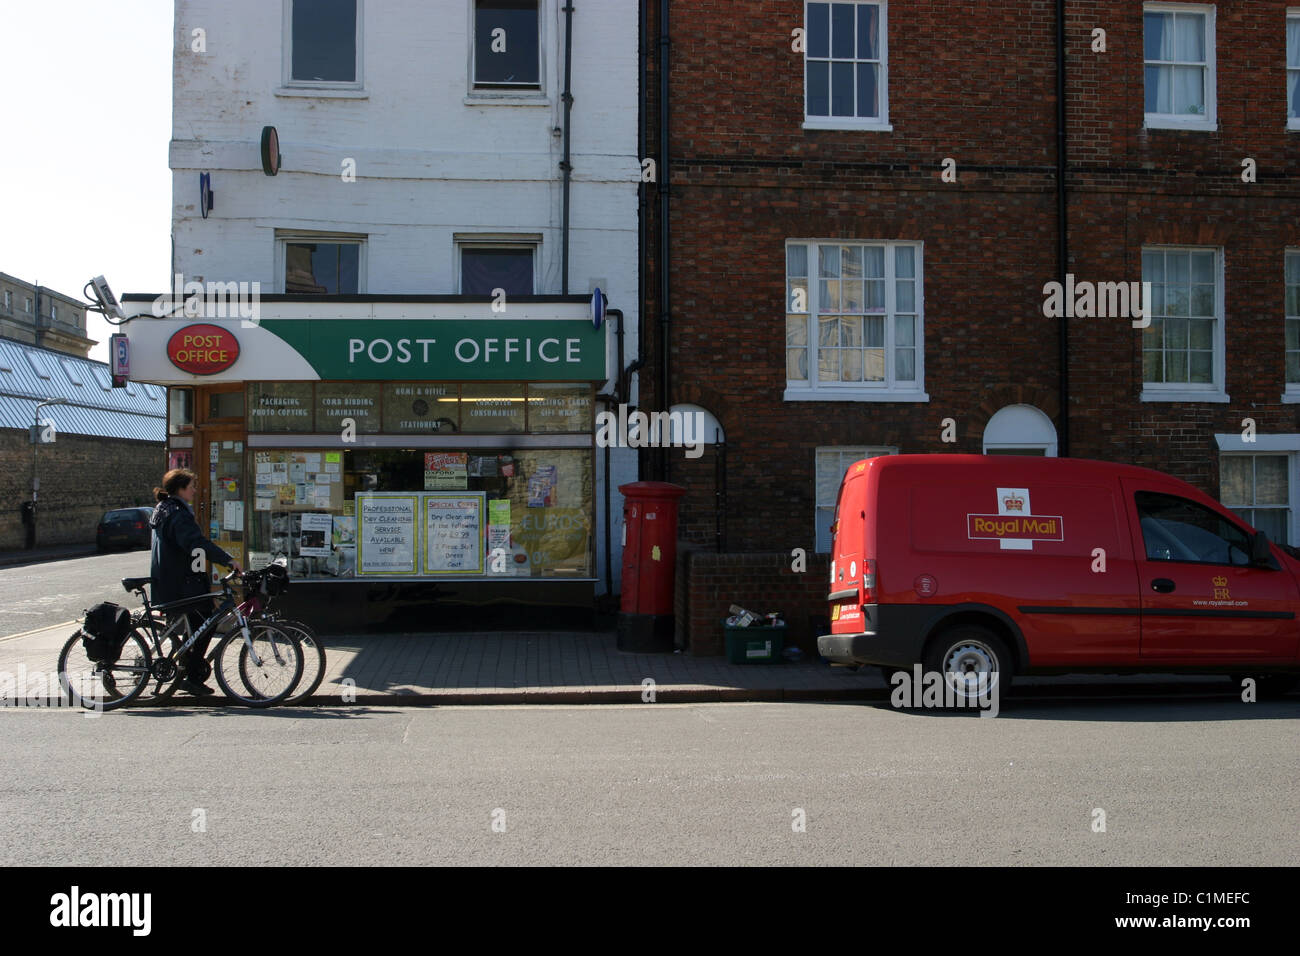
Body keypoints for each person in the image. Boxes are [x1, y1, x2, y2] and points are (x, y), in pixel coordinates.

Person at [149, 469, 240, 695]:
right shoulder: (178, 513)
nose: (195, 490)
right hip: (182, 584)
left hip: (170, 581)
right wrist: (227, 560)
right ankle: (190, 676)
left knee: (199, 623)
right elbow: (195, 543)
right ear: (180, 488)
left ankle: (186, 670)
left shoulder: (163, 509)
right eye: (192, 486)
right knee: (206, 621)